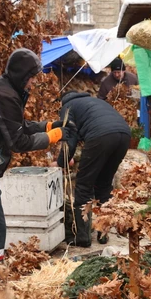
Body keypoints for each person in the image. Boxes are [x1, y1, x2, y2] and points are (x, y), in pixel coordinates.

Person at [0, 48, 75, 287]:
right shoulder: (5, 95)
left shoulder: (6, 90)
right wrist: (54, 136)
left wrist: (48, 125)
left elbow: (17, 126)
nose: (33, 81)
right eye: (32, 76)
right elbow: (18, 141)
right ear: (21, 75)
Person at [56, 91, 131, 247]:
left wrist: (61, 163)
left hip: (100, 136)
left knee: (84, 185)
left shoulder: (67, 107)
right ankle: (104, 233)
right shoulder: (94, 102)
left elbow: (70, 138)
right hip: (124, 135)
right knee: (104, 184)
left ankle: (82, 237)